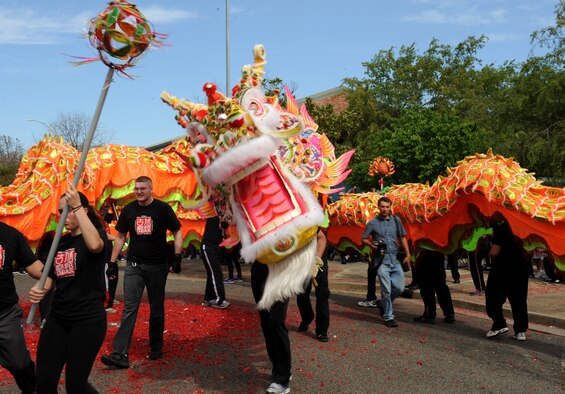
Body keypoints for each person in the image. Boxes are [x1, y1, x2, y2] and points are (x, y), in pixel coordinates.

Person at [29, 185, 108, 393]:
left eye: (67, 209)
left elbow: (94, 246)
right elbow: (50, 278)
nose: (62, 215)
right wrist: (40, 289)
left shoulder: (97, 235)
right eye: (59, 211)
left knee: (76, 385)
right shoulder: (59, 242)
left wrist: (78, 206)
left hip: (87, 320)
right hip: (58, 317)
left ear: (82, 209)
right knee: (44, 382)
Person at [101, 176, 183, 368]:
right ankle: (120, 353)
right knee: (130, 307)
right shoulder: (129, 210)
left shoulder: (162, 209)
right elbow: (120, 237)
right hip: (134, 266)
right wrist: (112, 262)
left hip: (158, 266)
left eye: (143, 188)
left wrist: (177, 256)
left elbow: (177, 231)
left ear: (151, 189)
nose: (139, 192)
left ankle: (156, 346)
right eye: (136, 188)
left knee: (156, 308)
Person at [0, 221, 44, 393]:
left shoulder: (9, 234)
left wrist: (50, 276)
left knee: (19, 363)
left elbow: (33, 265)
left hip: (4, 314)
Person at [362, 196, 411, 327]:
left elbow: (402, 237)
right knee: (387, 290)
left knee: (400, 288)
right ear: (378, 207)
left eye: (387, 207)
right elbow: (364, 238)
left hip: (395, 260)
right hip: (381, 261)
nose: (385, 209)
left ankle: (382, 303)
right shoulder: (372, 222)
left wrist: (408, 253)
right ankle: (388, 316)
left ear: (390, 207)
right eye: (382, 207)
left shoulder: (396, 220)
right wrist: (372, 246)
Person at [485, 215, 529, 341]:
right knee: (519, 299)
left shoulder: (502, 227)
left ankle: (499, 323)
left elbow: (494, 251)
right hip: (521, 266)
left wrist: (489, 253)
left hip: (503, 267)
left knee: (493, 296)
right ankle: (520, 331)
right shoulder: (521, 223)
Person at [251, 261, 292, 394]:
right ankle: (280, 367)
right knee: (267, 322)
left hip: (282, 272)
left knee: (276, 322)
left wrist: (314, 261)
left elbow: (319, 239)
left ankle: (281, 380)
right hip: (260, 270)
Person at [297, 229, 330, 342]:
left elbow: (321, 238)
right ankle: (307, 318)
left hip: (318, 255)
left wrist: (316, 260)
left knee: (322, 293)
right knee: (301, 292)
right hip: (301, 259)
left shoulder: (306, 217)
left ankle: (322, 330)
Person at [412, 249, 456, 324]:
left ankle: (430, 314)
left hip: (426, 256)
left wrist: (415, 257)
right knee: (441, 286)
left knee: (427, 287)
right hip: (438, 255)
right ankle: (449, 313)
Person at [200, 216, 230, 308]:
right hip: (208, 247)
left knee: (212, 273)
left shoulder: (224, 216)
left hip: (217, 246)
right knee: (216, 273)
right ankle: (219, 300)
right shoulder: (212, 212)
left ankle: (208, 298)